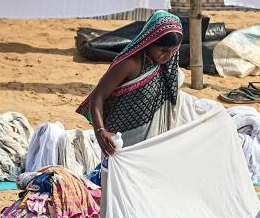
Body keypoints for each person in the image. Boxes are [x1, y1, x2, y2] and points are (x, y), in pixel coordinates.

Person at [77, 10, 184, 157]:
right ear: (148, 41)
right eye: (163, 50)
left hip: (153, 142)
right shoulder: (130, 64)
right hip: (121, 143)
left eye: (174, 50)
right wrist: (100, 131)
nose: (168, 56)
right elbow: (97, 97)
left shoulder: (167, 65)